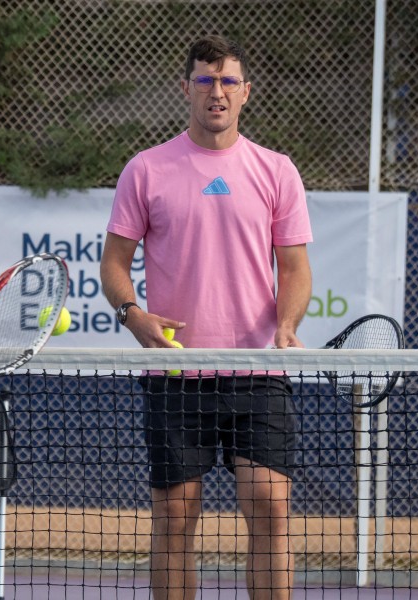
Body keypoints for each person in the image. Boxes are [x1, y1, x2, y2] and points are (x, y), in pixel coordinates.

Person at [100, 35, 313, 600]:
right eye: (204, 80)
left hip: (258, 372)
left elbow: (294, 269)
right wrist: (132, 315)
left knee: (270, 508)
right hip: (177, 374)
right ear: (186, 88)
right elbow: (114, 265)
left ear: (246, 92)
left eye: (227, 81)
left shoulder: (276, 170)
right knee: (175, 517)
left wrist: (286, 325)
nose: (215, 92)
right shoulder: (146, 170)